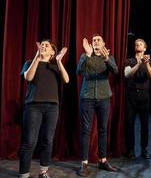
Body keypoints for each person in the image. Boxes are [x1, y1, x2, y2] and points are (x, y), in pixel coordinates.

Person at [19, 39, 69, 178]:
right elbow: (28, 77)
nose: (44, 46)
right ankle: (24, 174)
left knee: (48, 140)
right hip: (33, 106)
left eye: (47, 45)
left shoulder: (55, 66)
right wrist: (37, 56)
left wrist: (59, 61)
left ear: (53, 52)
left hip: (52, 107)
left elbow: (66, 79)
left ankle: (43, 171)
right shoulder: (29, 63)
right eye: (42, 45)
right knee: (29, 141)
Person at [76, 34, 118, 177]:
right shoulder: (85, 56)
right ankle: (84, 162)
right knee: (86, 130)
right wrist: (87, 55)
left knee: (103, 129)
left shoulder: (108, 57)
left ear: (103, 43)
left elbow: (115, 70)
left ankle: (103, 160)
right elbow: (79, 71)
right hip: (87, 97)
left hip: (104, 97)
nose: (95, 42)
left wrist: (106, 59)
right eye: (93, 40)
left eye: (98, 40)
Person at [124, 38, 151, 159]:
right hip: (131, 94)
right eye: (136, 44)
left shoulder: (149, 62)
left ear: (145, 48)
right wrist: (138, 63)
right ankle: (130, 150)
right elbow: (127, 74)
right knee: (130, 123)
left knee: (144, 123)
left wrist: (145, 63)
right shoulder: (129, 61)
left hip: (144, 94)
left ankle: (144, 148)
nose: (137, 45)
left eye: (140, 44)